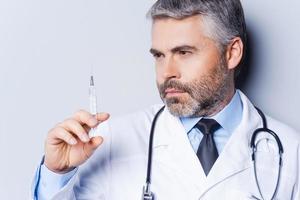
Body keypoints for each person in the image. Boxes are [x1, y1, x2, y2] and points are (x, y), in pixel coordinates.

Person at [32, 0, 300, 199]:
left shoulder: (289, 151)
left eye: (183, 52)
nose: (166, 72)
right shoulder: (112, 139)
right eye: (159, 55)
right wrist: (56, 174)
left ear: (232, 53)